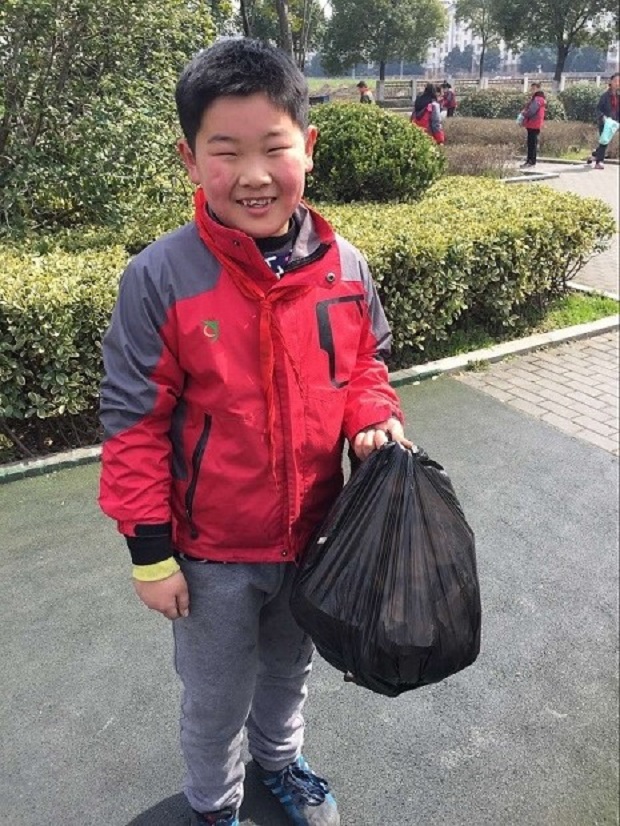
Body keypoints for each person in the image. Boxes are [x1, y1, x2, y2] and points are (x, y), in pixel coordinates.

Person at [98, 38, 411, 826]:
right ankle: (214, 803)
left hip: (314, 537)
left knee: (287, 671)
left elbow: (363, 366)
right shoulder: (159, 278)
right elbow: (134, 425)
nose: (254, 175)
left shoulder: (345, 265)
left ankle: (280, 761)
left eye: (274, 148)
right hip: (211, 557)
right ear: (189, 158)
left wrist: (374, 419)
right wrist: (150, 555)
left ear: (308, 146)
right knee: (215, 696)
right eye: (225, 151)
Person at [586, 72, 620, 170]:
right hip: (604, 122)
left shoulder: (618, 95)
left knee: (606, 141)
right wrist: (603, 117)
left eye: (619, 81)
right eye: (615, 81)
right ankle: (599, 162)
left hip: (614, 123)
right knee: (604, 141)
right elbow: (598, 109)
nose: (617, 83)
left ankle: (595, 154)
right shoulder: (605, 96)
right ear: (611, 82)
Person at [519, 81, 546, 168]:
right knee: (532, 143)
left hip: (533, 123)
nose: (532, 90)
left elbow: (531, 111)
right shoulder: (538, 98)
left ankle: (530, 162)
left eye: (534, 88)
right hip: (533, 123)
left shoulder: (537, 99)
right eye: (532, 88)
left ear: (538, 88)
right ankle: (530, 161)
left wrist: (524, 113)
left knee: (531, 144)